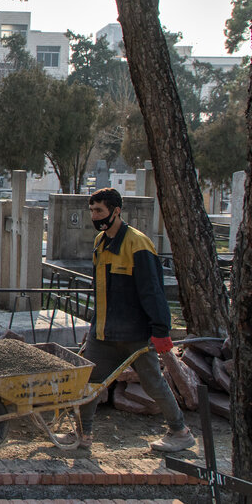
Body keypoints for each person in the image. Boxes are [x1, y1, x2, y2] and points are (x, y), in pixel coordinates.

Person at [61, 187, 194, 452]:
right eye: (92, 210)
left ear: (116, 211)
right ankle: (83, 434)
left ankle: (180, 432)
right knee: (90, 383)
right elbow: (101, 290)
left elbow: (152, 290)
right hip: (104, 332)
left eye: (99, 210)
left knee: (153, 382)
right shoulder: (100, 242)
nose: (94, 216)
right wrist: (96, 326)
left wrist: (161, 330)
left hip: (135, 334)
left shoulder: (138, 243)